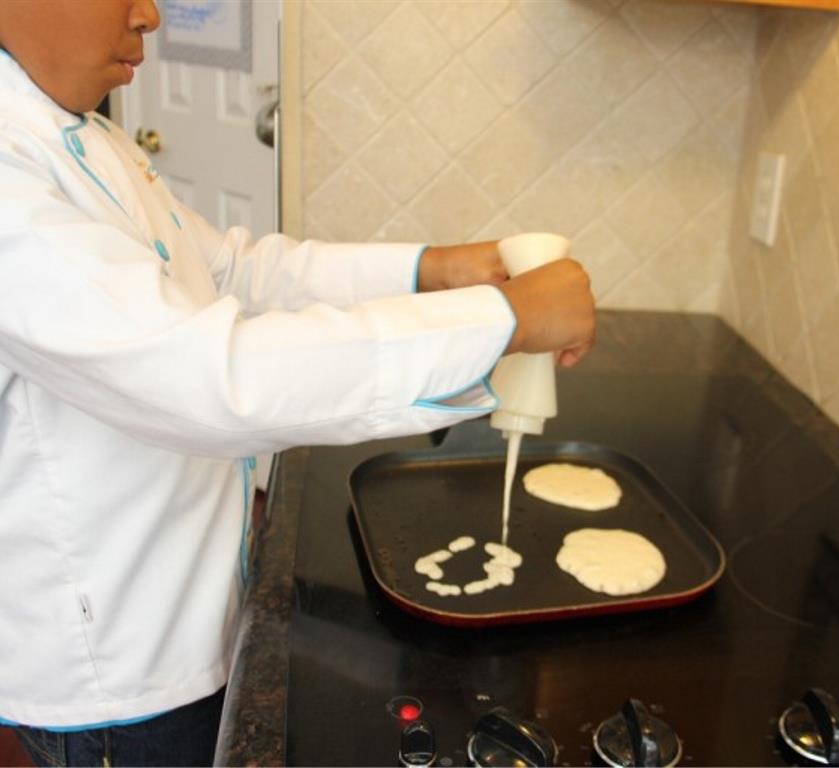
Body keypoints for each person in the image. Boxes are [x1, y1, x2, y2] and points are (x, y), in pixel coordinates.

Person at [0, 1, 596, 765]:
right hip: (120, 664)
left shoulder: (85, 131)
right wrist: (499, 319)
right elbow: (208, 377)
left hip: (186, 598)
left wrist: (437, 269)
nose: (150, 14)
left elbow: (235, 272)